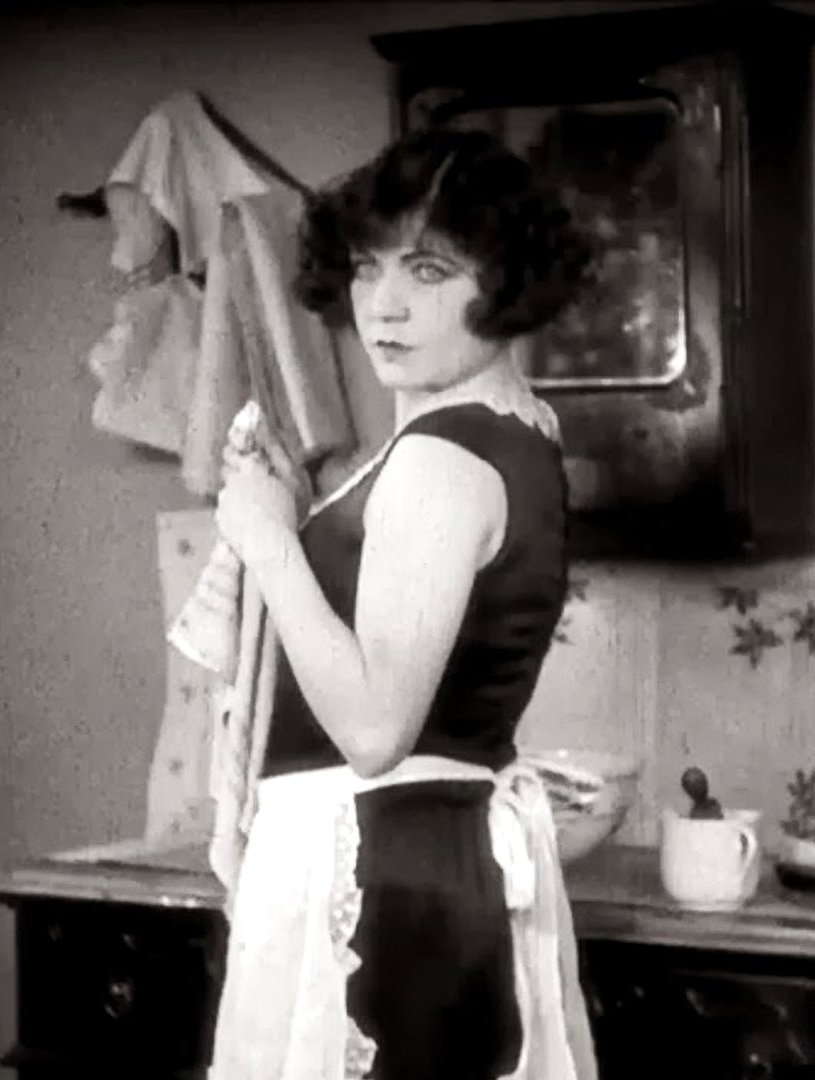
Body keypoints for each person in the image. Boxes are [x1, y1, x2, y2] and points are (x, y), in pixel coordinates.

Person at [205, 124, 600, 1080]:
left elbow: (376, 731)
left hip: (376, 867)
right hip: (430, 857)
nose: (383, 305)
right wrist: (299, 515)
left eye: (429, 271)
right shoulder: (518, 431)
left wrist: (267, 540)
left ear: (506, 281)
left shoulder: (438, 459)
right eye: (367, 267)